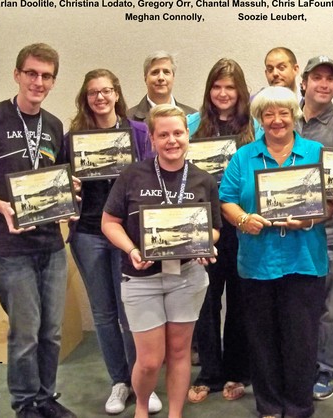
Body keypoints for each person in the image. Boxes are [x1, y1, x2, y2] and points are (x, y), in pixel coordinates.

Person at [0, 43, 77, 418]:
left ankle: (46, 397)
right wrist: (0, 205)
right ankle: (25, 404)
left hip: (51, 245)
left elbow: (57, 180)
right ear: (17, 74)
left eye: (46, 76)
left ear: (53, 81)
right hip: (9, 247)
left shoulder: (55, 125)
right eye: (31, 73)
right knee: (25, 333)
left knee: (52, 331)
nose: (38, 82)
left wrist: (69, 194)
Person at [102, 104, 221, 418]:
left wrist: (205, 245)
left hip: (188, 278)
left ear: (188, 137)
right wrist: (131, 249)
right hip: (141, 280)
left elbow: (215, 229)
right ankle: (142, 407)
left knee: (180, 352)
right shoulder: (132, 175)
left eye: (178, 133)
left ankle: (175, 413)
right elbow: (109, 222)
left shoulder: (203, 180)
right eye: (164, 134)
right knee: (151, 359)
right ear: (152, 140)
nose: (172, 140)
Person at [219, 86, 329, 418]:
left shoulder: (316, 151)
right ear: (260, 118)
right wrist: (241, 219)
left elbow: (332, 202)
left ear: (294, 115)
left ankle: (298, 406)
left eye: (283, 113)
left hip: (305, 259)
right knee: (261, 339)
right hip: (257, 261)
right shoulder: (243, 156)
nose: (276, 120)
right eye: (269, 114)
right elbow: (226, 198)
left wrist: (311, 218)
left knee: (302, 339)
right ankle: (268, 405)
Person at [64, 69, 161, 415]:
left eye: (106, 91)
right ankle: (119, 382)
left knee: (129, 312)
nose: (100, 98)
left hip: (127, 235)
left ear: (117, 94)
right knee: (104, 313)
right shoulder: (73, 137)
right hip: (89, 234)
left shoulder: (137, 133)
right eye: (93, 93)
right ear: (86, 98)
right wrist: (70, 189)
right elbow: (62, 188)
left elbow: (156, 173)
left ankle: (143, 384)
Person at [186, 58, 256, 404]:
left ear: (240, 91)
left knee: (241, 300)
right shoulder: (192, 125)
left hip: (242, 225)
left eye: (230, 87)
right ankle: (210, 372)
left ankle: (237, 370)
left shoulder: (254, 128)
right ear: (208, 90)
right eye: (217, 86)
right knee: (207, 300)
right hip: (204, 226)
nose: (223, 93)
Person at [294, 55, 333, 400]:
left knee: (329, 309)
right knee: (298, 307)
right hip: (289, 233)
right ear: (304, 82)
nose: (323, 84)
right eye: (316, 77)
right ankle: (303, 365)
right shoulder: (286, 119)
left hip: (328, 234)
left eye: (330, 79)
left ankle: (328, 369)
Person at [127, 51, 196, 124]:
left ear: (173, 77)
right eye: (155, 72)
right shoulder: (128, 118)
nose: (161, 78)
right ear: (145, 78)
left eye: (166, 72)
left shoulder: (193, 118)